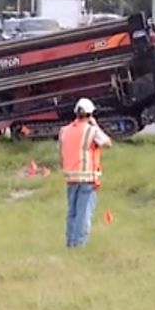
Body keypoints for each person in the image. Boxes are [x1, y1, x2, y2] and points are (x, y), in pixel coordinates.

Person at [58, 98, 113, 248]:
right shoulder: (91, 130)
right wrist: (96, 125)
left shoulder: (64, 130)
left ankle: (70, 242)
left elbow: (61, 155)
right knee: (84, 214)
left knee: (72, 212)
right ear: (90, 115)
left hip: (70, 177)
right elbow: (107, 142)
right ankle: (78, 244)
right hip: (87, 178)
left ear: (76, 113)